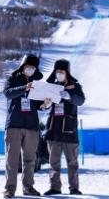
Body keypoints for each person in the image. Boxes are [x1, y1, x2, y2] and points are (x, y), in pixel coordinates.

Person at [3, 54, 45, 198]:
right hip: (14, 124)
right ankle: (9, 189)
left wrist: (46, 104)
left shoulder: (37, 84)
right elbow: (8, 93)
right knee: (12, 158)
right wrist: (24, 88)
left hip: (32, 126)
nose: (30, 70)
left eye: (33, 68)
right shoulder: (12, 80)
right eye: (28, 67)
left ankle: (28, 187)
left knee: (30, 159)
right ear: (22, 67)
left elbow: (37, 104)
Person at [43, 59, 86, 196]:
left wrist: (69, 96)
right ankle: (54, 187)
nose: (59, 74)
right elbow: (42, 103)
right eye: (57, 72)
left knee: (72, 162)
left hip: (69, 130)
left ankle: (74, 187)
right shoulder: (50, 86)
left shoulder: (74, 86)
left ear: (67, 72)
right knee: (54, 163)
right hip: (53, 131)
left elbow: (81, 100)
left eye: (61, 72)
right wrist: (46, 104)